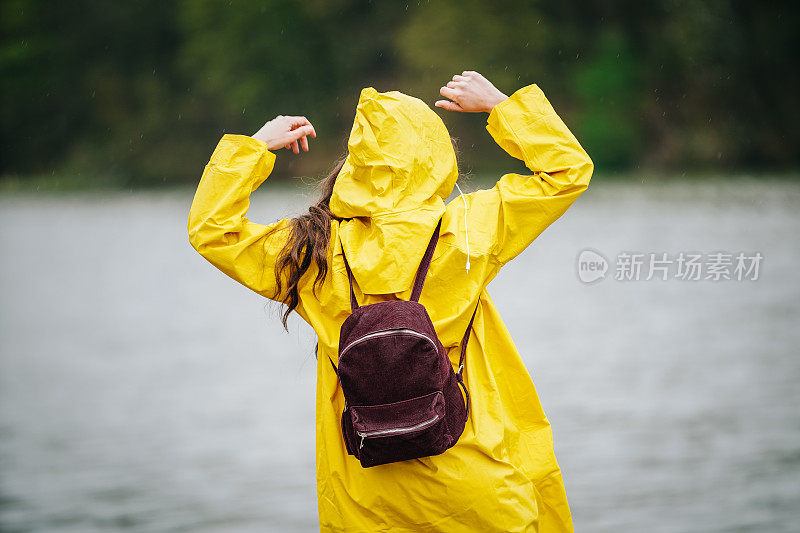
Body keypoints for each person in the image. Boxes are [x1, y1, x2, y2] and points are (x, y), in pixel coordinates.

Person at [187, 70, 593, 532]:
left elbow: (211, 229)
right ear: (435, 156)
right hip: (477, 482)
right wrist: (500, 106)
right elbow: (567, 172)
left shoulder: (311, 252)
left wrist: (256, 146)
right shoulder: (466, 231)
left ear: (355, 168)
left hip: (366, 498)